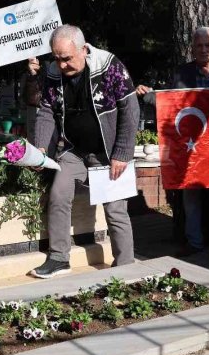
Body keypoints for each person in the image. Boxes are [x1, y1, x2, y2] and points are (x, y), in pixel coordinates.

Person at [30, 25, 140, 278]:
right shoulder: (53, 72)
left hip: (109, 152)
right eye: (56, 58)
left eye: (67, 58)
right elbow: (46, 110)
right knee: (58, 194)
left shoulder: (110, 65)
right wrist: (40, 148)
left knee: (115, 209)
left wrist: (122, 153)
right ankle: (58, 257)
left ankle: (126, 265)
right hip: (73, 149)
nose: (61, 65)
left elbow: (131, 110)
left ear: (83, 48)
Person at [137, 27, 209, 261]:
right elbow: (170, 102)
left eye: (208, 45)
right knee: (190, 197)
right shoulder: (181, 73)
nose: (204, 50)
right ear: (192, 48)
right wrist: (148, 94)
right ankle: (194, 242)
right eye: (199, 46)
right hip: (190, 149)